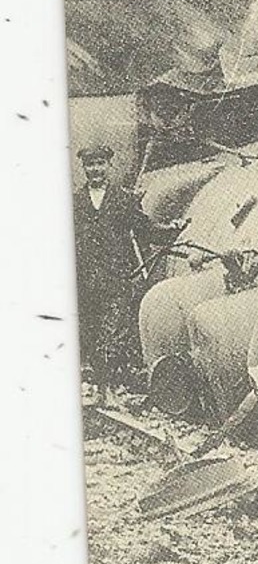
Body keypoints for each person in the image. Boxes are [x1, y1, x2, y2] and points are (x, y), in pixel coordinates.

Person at [72, 145, 151, 400]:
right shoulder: (74, 201)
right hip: (84, 280)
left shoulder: (123, 199)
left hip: (116, 277)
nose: (95, 169)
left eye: (99, 164)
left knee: (114, 331)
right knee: (92, 331)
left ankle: (109, 389)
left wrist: (170, 230)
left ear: (109, 166)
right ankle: (101, 388)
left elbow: (143, 229)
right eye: (90, 165)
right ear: (84, 168)